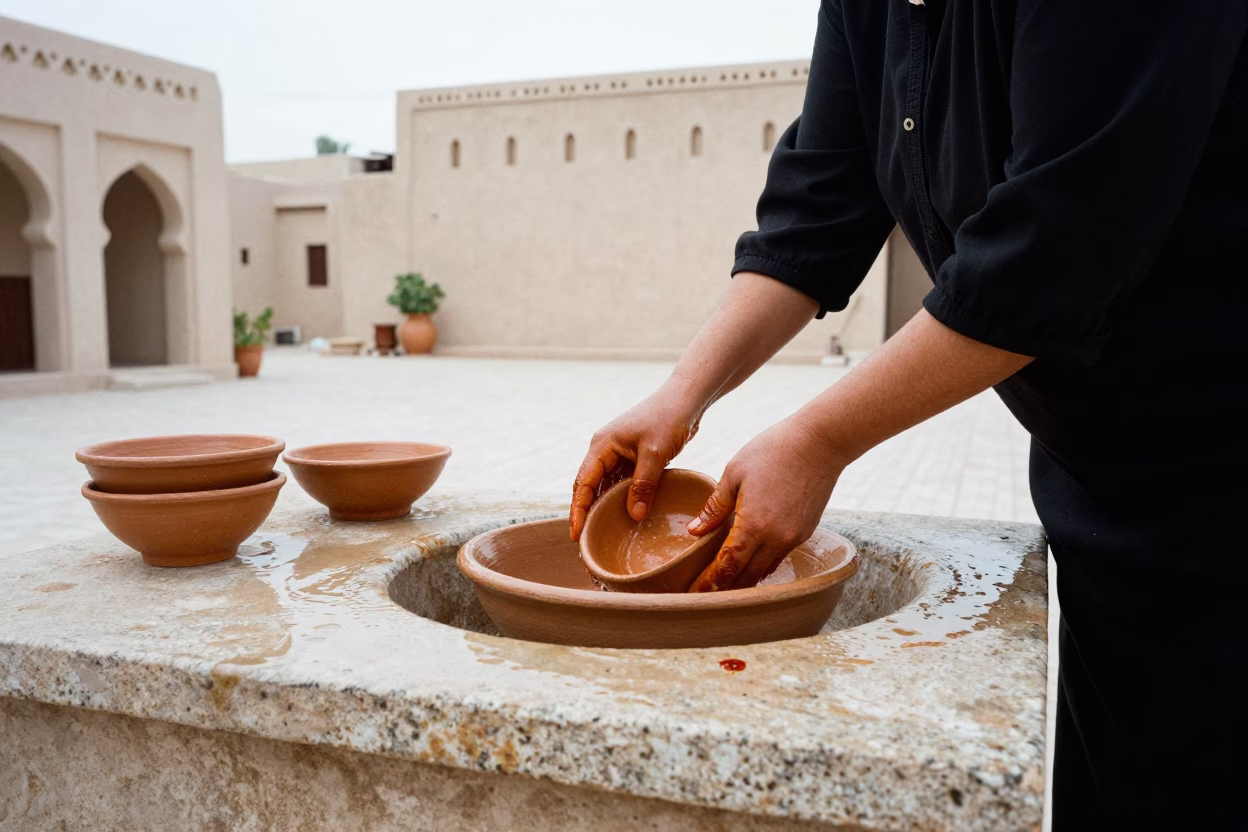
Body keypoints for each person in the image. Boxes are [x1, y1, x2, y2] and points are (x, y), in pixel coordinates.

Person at [569, 1, 1248, 826]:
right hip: (1103, 478)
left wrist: (818, 439)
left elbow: (1050, 256)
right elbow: (819, 210)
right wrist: (682, 395)